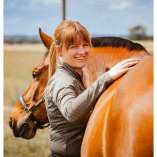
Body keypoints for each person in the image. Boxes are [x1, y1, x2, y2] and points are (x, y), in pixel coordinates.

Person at [45, 20, 138, 157]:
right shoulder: (61, 80)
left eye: (85, 45)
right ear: (60, 51)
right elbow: (71, 113)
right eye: (74, 47)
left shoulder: (75, 75)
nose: (82, 51)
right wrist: (106, 78)